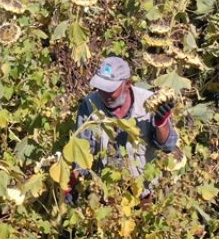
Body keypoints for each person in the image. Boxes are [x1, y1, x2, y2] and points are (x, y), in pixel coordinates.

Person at [68, 56, 179, 201]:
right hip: (106, 193)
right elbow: (81, 153)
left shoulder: (149, 102)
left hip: (144, 193)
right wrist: (71, 186)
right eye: (101, 88)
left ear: (127, 84)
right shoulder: (89, 105)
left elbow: (168, 146)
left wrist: (161, 122)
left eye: (110, 90)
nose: (104, 95)